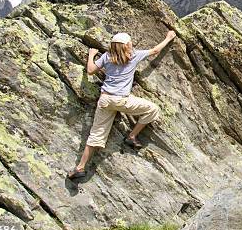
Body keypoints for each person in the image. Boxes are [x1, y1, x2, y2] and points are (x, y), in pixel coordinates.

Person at [67, 30, 176, 179]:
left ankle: (80, 167)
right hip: (121, 100)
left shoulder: (107, 57)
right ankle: (132, 136)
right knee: (153, 109)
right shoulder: (133, 56)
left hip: (105, 100)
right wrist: (168, 37)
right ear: (127, 45)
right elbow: (155, 50)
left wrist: (91, 55)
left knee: (96, 135)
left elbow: (91, 70)